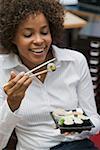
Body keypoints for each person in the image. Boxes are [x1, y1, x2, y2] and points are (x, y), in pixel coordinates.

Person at [0, 0, 100, 150]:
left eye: (44, 32)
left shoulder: (75, 62)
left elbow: (95, 122)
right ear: (12, 37)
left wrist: (77, 124)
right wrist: (12, 104)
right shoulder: (3, 70)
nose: (39, 41)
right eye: (28, 34)